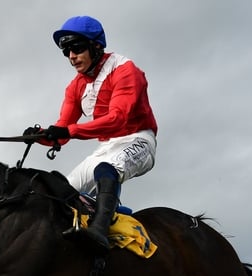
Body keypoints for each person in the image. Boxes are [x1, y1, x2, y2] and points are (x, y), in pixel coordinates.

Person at [28, 15, 158, 251]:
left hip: (139, 139)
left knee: (105, 170)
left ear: (96, 46)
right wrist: (41, 136)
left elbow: (118, 118)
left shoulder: (125, 70)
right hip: (107, 147)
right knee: (61, 192)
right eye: (66, 51)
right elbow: (63, 130)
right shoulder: (75, 86)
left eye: (77, 48)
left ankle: (99, 230)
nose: (71, 56)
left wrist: (67, 130)